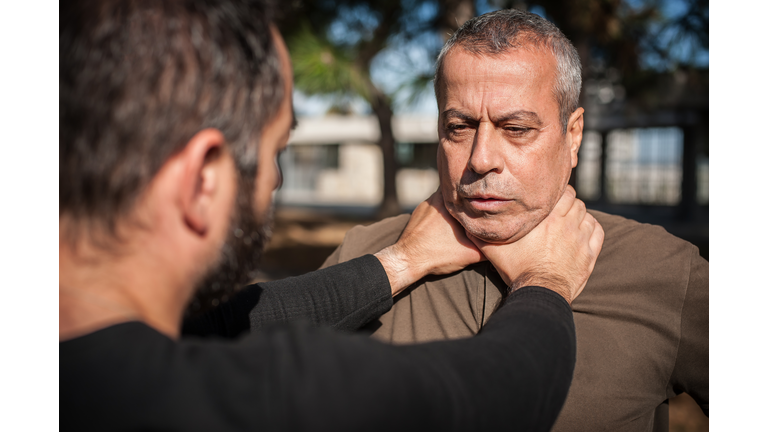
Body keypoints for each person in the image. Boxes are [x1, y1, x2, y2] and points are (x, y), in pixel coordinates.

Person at [59, 1, 604, 431]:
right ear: (203, 178)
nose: (274, 180)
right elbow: (493, 398)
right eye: (275, 152)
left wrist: (401, 262)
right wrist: (547, 281)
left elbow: (224, 323)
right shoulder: (261, 394)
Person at [321, 8, 708, 432]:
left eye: (516, 128)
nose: (481, 158)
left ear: (572, 135)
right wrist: (396, 262)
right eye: (459, 126)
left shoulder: (666, 270)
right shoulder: (363, 254)